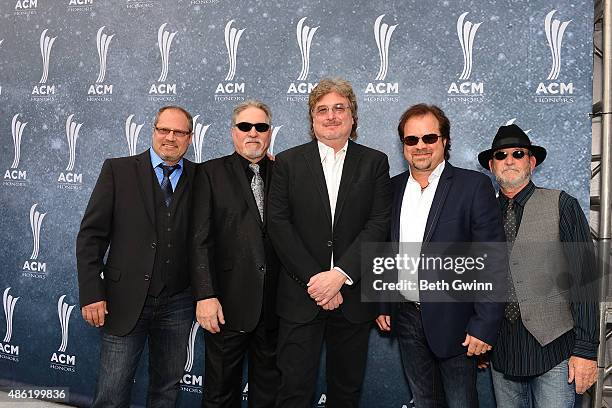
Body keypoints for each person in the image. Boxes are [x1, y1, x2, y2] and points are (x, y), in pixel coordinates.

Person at [267, 77, 392, 407]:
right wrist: (317, 281)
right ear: (312, 119)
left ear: (353, 116)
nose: (331, 115)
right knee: (293, 392)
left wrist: (340, 276)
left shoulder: (374, 162)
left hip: (352, 296)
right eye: (322, 110)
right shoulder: (288, 162)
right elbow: (279, 225)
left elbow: (379, 224)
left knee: (346, 392)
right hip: (300, 296)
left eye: (340, 108)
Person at [376, 103, 506, 408]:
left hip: (458, 321)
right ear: (403, 145)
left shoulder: (472, 186)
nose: (421, 146)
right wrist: (382, 300)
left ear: (444, 141)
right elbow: (384, 246)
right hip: (407, 317)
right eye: (412, 140)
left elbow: (493, 260)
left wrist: (484, 324)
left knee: (462, 402)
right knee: (424, 401)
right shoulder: (391, 189)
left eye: (429, 138)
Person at [76, 106, 195, 407]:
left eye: (179, 132)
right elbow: (92, 235)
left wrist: (269, 163)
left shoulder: (201, 176)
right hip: (123, 298)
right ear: (153, 131)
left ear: (189, 138)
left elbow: (235, 173)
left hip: (178, 303)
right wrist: (92, 291)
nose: (170, 137)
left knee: (166, 390)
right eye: (164, 130)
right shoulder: (118, 170)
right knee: (112, 393)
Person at [478, 123, 599, 407]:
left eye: (518, 153)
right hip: (502, 351)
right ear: (492, 166)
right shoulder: (481, 214)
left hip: (555, 351)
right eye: (501, 155)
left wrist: (585, 351)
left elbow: (585, 281)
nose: (509, 160)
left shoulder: (562, 204)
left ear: (531, 162)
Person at [190, 100, 280, 407]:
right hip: (225, 305)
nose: (253, 133)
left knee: (268, 396)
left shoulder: (284, 172)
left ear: (270, 133)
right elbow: (198, 240)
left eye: (261, 127)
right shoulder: (210, 173)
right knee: (219, 395)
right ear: (233, 132)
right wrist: (205, 295)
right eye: (245, 126)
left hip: (275, 307)